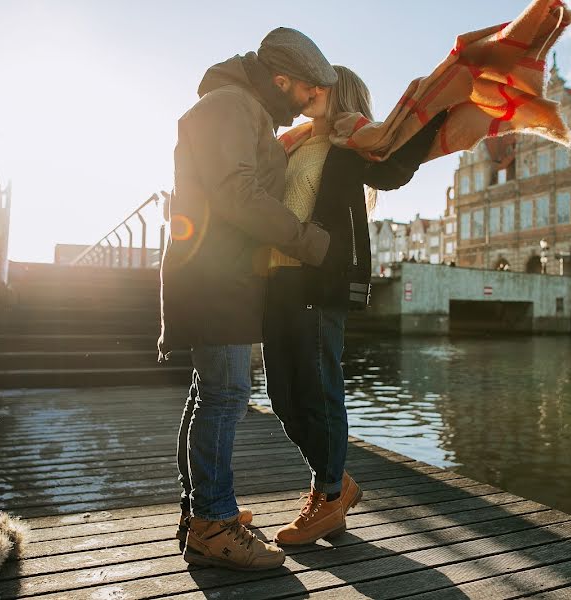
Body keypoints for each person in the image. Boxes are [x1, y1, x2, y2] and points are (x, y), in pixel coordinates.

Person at [158, 28, 344, 571]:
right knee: (225, 395)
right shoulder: (230, 105)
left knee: (212, 392)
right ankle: (212, 523)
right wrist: (311, 243)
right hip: (214, 272)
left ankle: (204, 513)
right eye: (306, 90)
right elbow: (239, 193)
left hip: (222, 272)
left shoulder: (239, 107)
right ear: (281, 80)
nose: (309, 101)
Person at [262, 65, 447, 545]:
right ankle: (337, 485)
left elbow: (394, 170)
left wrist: (434, 110)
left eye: (322, 85)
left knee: (321, 388)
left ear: (340, 92)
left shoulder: (353, 145)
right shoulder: (296, 142)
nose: (311, 91)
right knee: (283, 395)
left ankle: (325, 496)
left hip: (323, 277)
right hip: (278, 276)